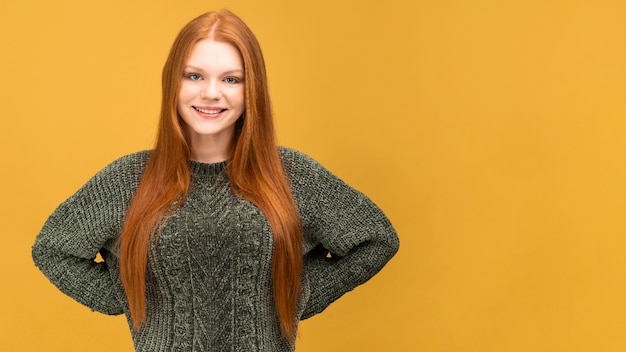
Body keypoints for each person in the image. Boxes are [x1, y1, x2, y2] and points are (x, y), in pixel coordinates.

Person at [32, 9, 399, 351]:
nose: (211, 92)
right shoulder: (127, 179)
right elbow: (53, 250)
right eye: (194, 75)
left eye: (231, 79)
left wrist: (294, 294)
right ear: (172, 83)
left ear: (251, 88)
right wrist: (129, 292)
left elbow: (376, 239)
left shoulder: (291, 174)